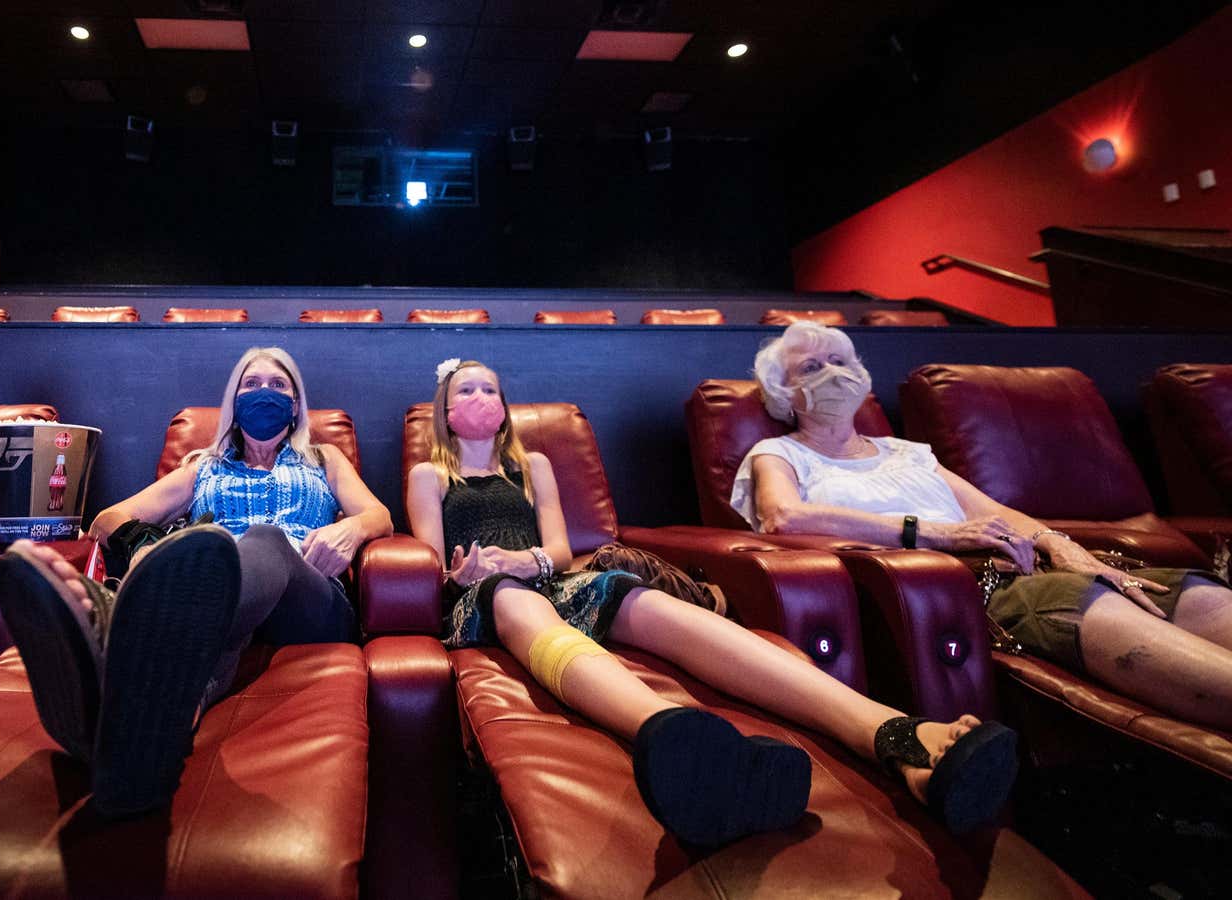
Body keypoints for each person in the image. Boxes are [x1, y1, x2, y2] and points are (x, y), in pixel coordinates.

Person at [405, 358, 1018, 845]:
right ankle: (679, 746)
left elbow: (562, 549)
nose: (480, 399)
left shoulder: (532, 463)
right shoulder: (429, 476)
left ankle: (896, 735)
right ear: (446, 413)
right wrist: (472, 570)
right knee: (513, 598)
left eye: (491, 389)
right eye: (466, 392)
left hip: (550, 578)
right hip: (484, 598)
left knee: (642, 599)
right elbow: (432, 561)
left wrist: (529, 559)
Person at [735, 320, 1232, 731]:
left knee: (1188, 591)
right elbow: (784, 517)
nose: (832, 374)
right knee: (1090, 604)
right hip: (964, 587)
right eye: (812, 367)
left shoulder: (908, 453)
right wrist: (932, 533)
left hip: (1025, 565)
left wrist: (1063, 546)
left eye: (840, 362)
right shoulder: (780, 453)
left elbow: (992, 512)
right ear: (784, 392)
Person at [0, 347, 392, 819]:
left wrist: (352, 528)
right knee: (206, 616)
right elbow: (109, 519)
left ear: (296, 404)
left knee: (263, 541)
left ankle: (114, 623)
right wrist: (143, 542)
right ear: (233, 400)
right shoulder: (203, 465)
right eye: (251, 384)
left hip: (309, 601)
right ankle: (138, 737)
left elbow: (379, 515)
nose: (264, 393)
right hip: (222, 606)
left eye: (278, 386)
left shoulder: (323, 459)